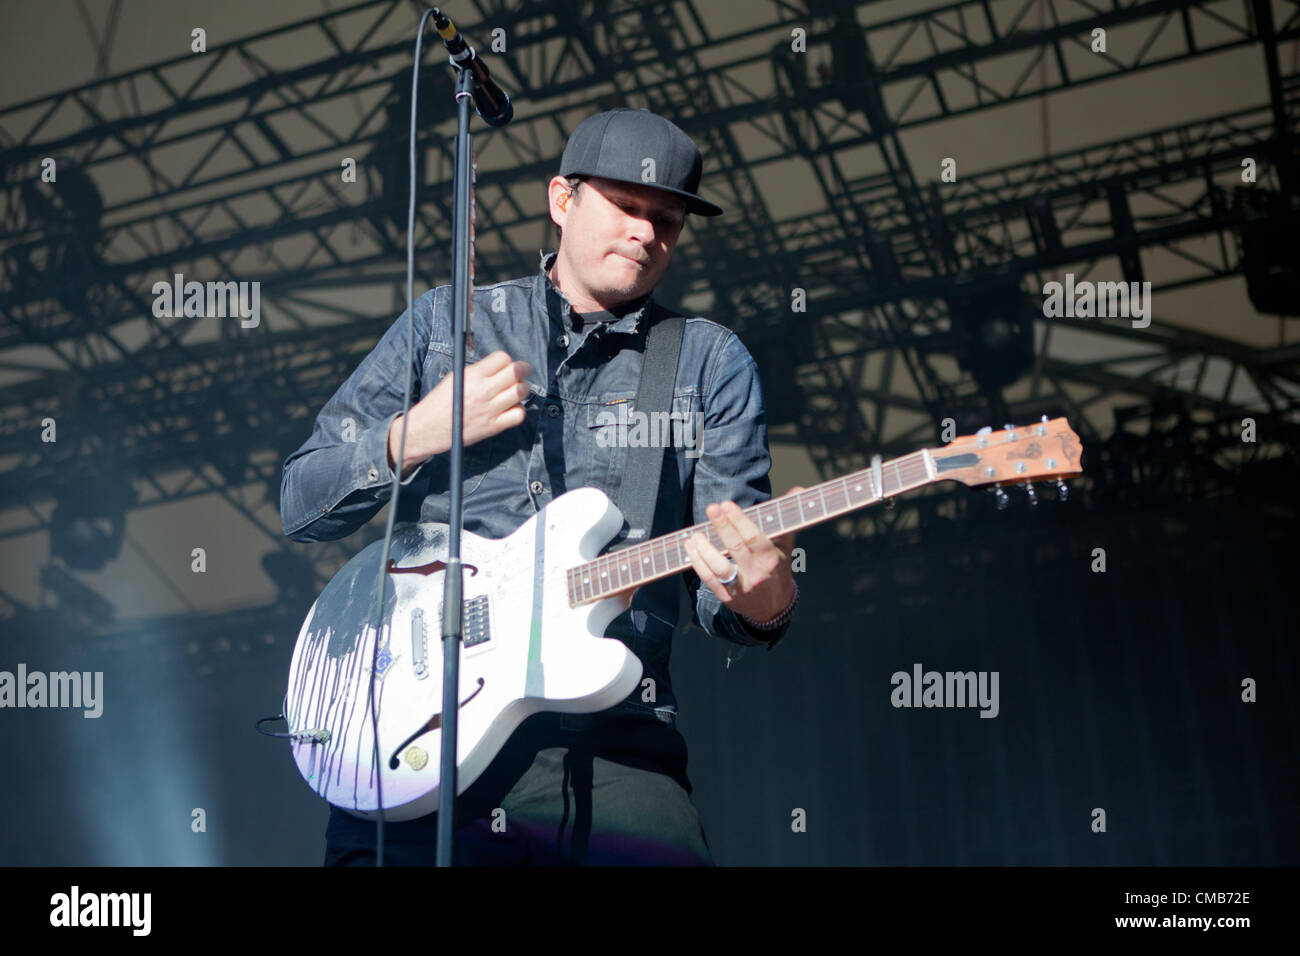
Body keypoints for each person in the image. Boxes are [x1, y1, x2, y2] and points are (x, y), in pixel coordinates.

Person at [280, 108, 800, 865]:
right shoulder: (444, 324)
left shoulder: (707, 364)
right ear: (563, 200)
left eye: (668, 221)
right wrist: (415, 435)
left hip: (615, 747)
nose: (648, 233)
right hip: (414, 732)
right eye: (628, 207)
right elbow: (302, 501)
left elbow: (729, 591)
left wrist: (765, 595)